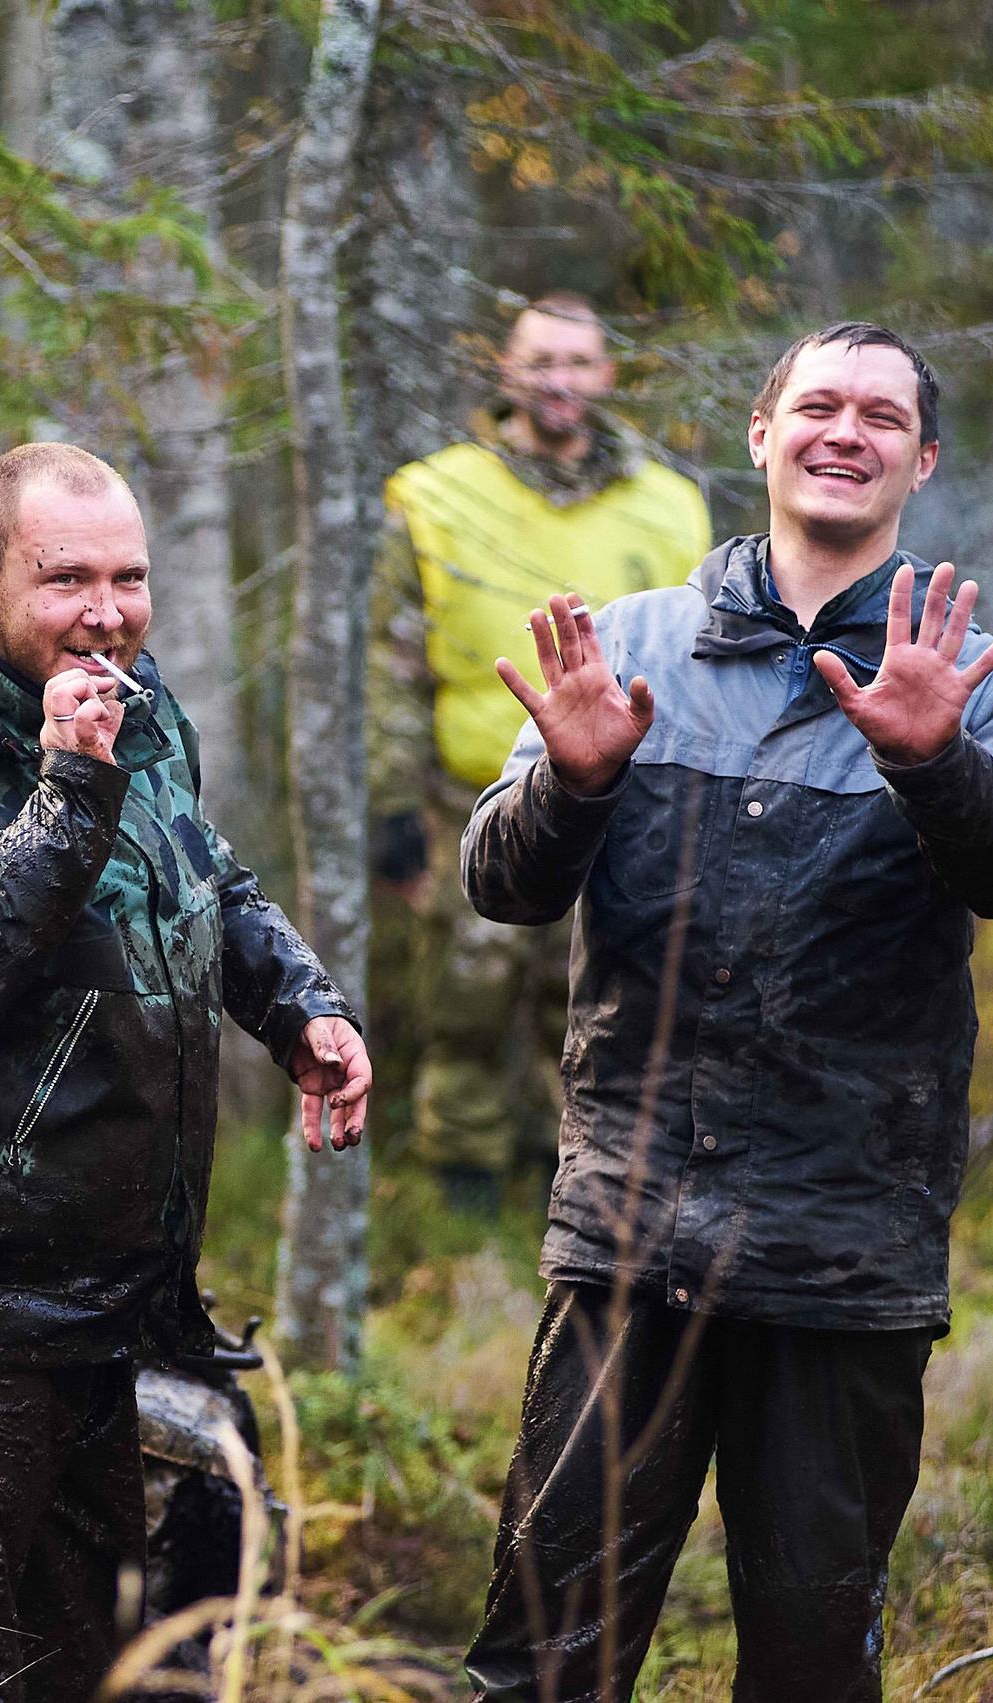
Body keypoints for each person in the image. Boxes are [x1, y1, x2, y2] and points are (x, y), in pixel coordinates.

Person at [456, 322, 993, 1700]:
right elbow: (500, 886)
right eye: (817, 404)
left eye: (879, 414)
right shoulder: (624, 647)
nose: (842, 430)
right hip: (630, 1233)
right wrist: (568, 785)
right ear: (761, 434)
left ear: (921, 459)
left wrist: (937, 764)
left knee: (810, 1661)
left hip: (843, 1249)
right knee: (546, 1657)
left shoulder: (972, 671)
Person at [0, 441, 373, 1703]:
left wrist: (300, 1007)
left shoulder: (128, 713)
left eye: (129, 577)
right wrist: (65, 796)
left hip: (81, 1308)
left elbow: (200, 876)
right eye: (67, 580)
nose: (107, 612)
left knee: (80, 1669)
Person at [369, 293, 711, 1216]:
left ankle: (574, 1202)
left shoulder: (671, 503)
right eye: (542, 361)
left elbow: (705, 657)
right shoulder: (434, 494)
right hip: (466, 794)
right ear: (508, 371)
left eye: (579, 362)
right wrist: (393, 808)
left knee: (601, 1004)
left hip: (627, 805)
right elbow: (390, 663)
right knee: (467, 1006)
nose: (560, 381)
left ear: (607, 373)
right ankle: (464, 1212)